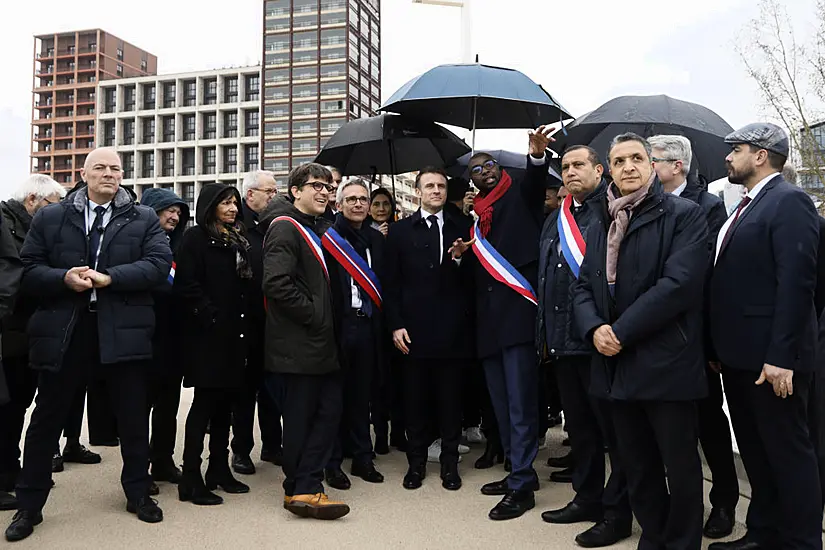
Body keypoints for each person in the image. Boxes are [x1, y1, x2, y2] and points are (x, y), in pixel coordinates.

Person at [6, 148, 172, 542]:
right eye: (100, 167)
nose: (109, 174)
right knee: (47, 417)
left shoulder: (142, 216)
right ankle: (30, 505)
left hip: (122, 327)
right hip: (66, 328)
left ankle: (137, 492)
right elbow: (26, 269)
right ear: (84, 173)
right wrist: (63, 277)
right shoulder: (51, 216)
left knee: (132, 416)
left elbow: (158, 264)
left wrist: (111, 278)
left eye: (115, 168)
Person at [572, 133, 709, 550]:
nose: (628, 166)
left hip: (667, 362)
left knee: (679, 466)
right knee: (636, 463)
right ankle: (653, 536)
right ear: (609, 170)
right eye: (619, 161)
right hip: (615, 366)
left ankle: (683, 542)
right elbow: (583, 287)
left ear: (652, 165)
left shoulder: (684, 215)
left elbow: (679, 285)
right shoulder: (602, 222)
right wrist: (595, 328)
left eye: (636, 158)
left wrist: (620, 331)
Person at [708, 124, 822, 550]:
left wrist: (783, 357)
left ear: (761, 155)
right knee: (757, 454)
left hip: (773, 362)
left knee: (789, 456)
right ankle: (763, 533)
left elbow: (797, 284)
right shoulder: (747, 205)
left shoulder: (788, 201)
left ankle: (801, 542)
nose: (727, 158)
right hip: (740, 359)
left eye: (735, 150)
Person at [451, 127, 552, 520]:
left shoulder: (520, 195)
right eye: (477, 170)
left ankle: (524, 483)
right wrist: (465, 252)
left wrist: (538, 157)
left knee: (521, 402)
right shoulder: (478, 219)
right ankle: (515, 469)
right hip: (488, 324)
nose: (485, 172)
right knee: (500, 402)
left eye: (489, 165)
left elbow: (537, 180)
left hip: (517, 317)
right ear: (471, 181)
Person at [537, 145, 632, 547]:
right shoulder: (557, 219)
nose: (570, 172)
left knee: (618, 436)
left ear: (599, 169)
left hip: (598, 342)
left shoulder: (610, 212)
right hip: (562, 343)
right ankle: (587, 498)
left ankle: (618, 512)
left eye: (578, 165)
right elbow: (546, 278)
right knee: (581, 430)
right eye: (565, 167)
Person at [649, 134, 738, 539]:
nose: (642, 168)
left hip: (696, 338)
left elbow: (709, 276)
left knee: (708, 424)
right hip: (654, 339)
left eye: (650, 161)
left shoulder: (708, 206)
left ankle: (724, 502)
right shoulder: (641, 206)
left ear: (676, 166)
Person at [262, 163, 349, 520]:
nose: (325, 192)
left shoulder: (318, 227)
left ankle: (301, 484)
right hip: (300, 344)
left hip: (317, 344)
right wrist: (315, 315)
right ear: (295, 190)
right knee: (304, 418)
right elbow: (275, 283)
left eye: (329, 187)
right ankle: (304, 487)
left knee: (325, 413)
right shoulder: (286, 228)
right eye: (316, 186)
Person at [385, 167, 475, 493]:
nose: (436, 190)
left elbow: (474, 283)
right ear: (419, 191)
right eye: (430, 186)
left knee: (451, 403)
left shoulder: (464, 227)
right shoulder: (398, 231)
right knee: (415, 403)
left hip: (453, 333)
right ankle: (416, 464)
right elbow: (390, 284)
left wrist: (463, 260)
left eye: (440, 186)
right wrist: (395, 325)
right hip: (413, 334)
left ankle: (450, 465)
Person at [174, 183, 254, 506]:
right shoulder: (195, 239)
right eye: (226, 203)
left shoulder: (238, 241)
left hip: (236, 338)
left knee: (227, 407)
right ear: (210, 207)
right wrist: (211, 317)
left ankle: (219, 469)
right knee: (204, 407)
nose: (233, 208)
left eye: (235, 203)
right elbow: (187, 286)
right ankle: (190, 477)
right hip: (208, 338)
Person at [322, 179, 387, 490]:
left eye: (363, 199)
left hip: (368, 325)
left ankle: (363, 457)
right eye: (351, 200)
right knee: (334, 398)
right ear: (339, 204)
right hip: (338, 325)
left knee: (363, 396)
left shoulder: (377, 239)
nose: (359, 204)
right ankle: (332, 464)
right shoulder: (328, 238)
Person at [232, 170, 283, 475]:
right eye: (270, 191)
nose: (274, 197)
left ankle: (273, 445)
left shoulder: (277, 225)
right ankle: (240, 450)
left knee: (272, 388)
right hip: (245, 322)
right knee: (244, 391)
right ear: (250, 195)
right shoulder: (237, 228)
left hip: (274, 321)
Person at [139, 188, 190, 491]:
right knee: (140, 407)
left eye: (178, 213)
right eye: (168, 210)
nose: (174, 217)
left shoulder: (180, 246)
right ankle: (139, 468)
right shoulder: (136, 243)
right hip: (144, 339)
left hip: (173, 340)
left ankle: (163, 461)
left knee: (168, 406)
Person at [0, 177, 40, 510]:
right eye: (51, 203)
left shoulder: (29, 228)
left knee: (15, 408)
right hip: (8, 331)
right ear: (32, 199)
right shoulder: (7, 224)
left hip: (23, 335)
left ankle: (10, 471)